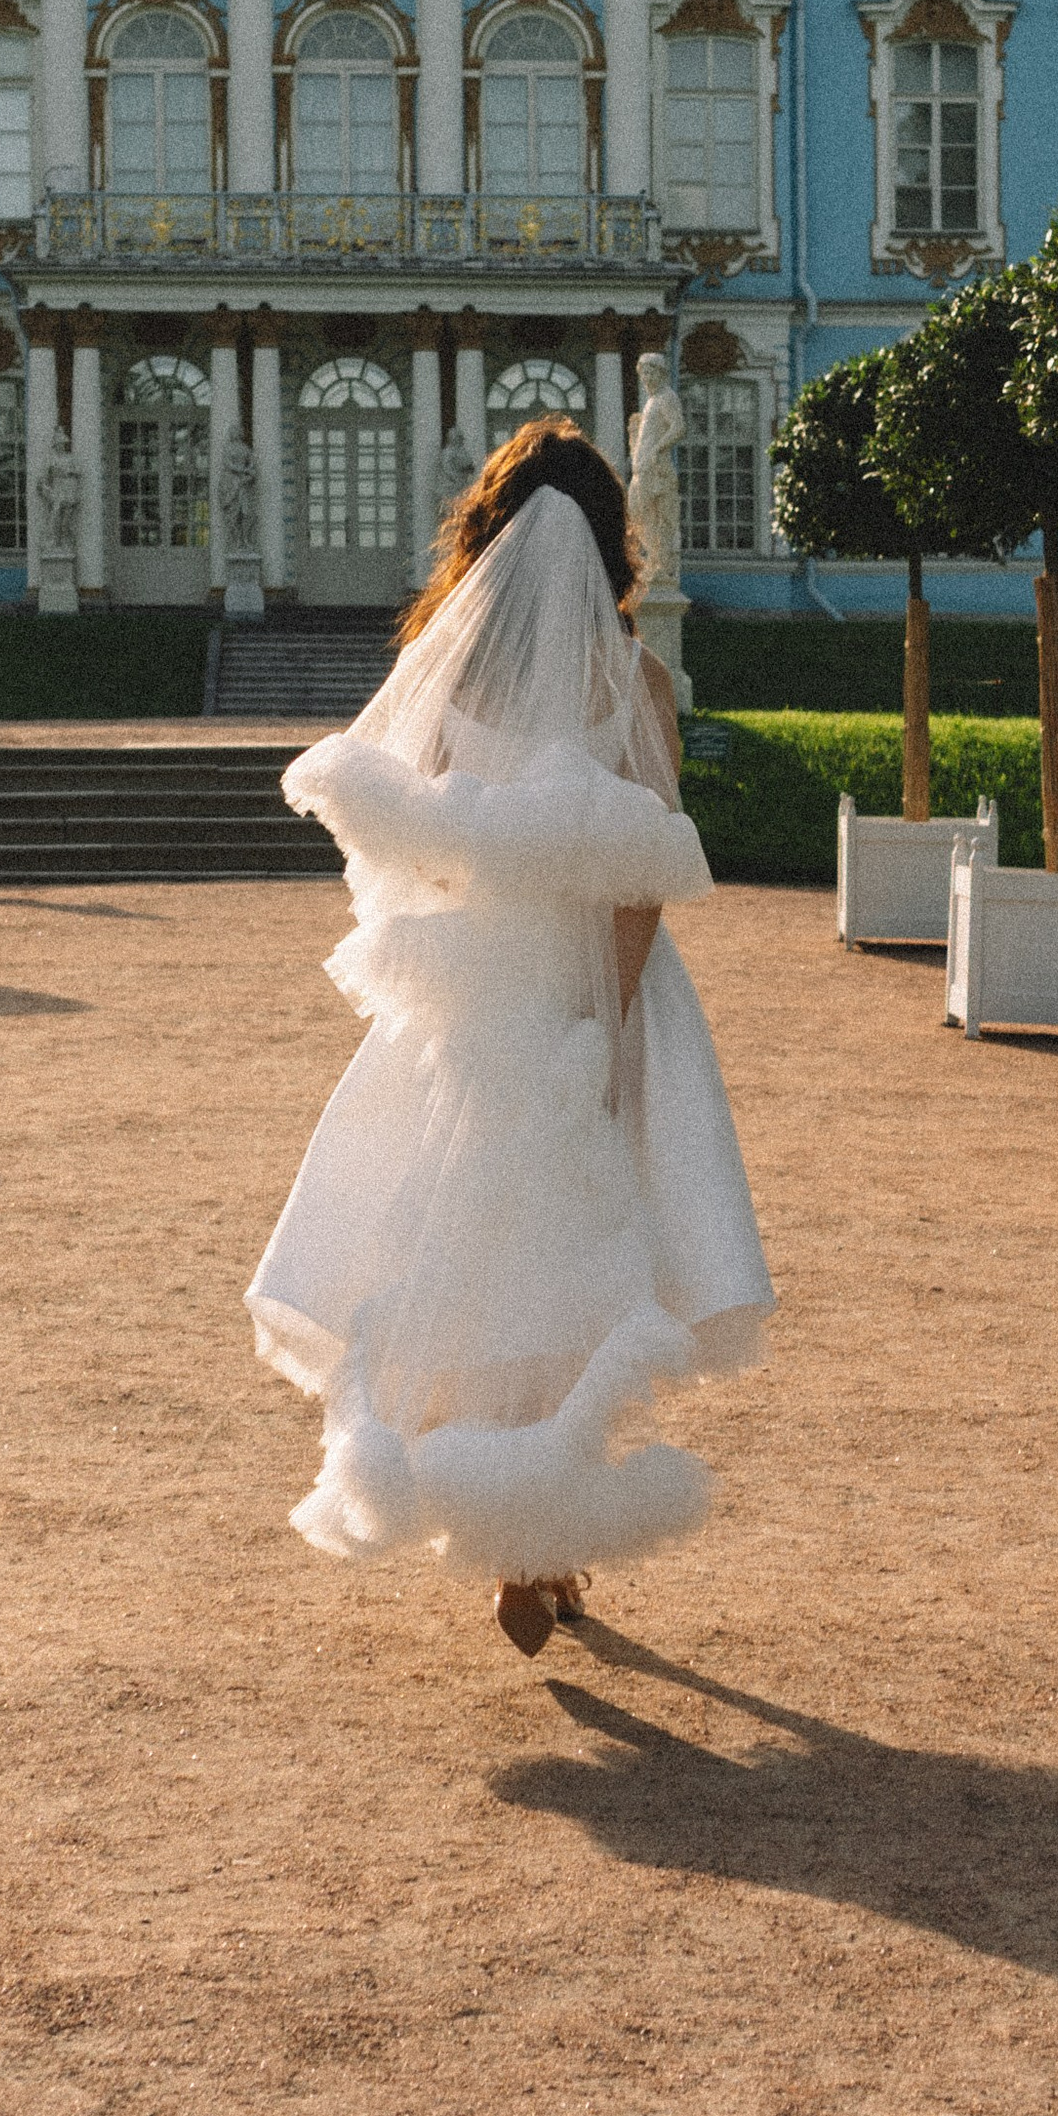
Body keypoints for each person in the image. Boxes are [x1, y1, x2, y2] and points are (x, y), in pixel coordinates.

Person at [248, 419, 773, 1659]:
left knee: (461, 1247)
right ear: (608, 542)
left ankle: (503, 1519)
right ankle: (542, 1534)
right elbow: (641, 879)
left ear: (483, 534)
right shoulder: (633, 681)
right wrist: (606, 1021)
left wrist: (447, 972)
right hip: (589, 994)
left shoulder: (451, 670)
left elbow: (403, 853)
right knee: (594, 1253)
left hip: (474, 998)